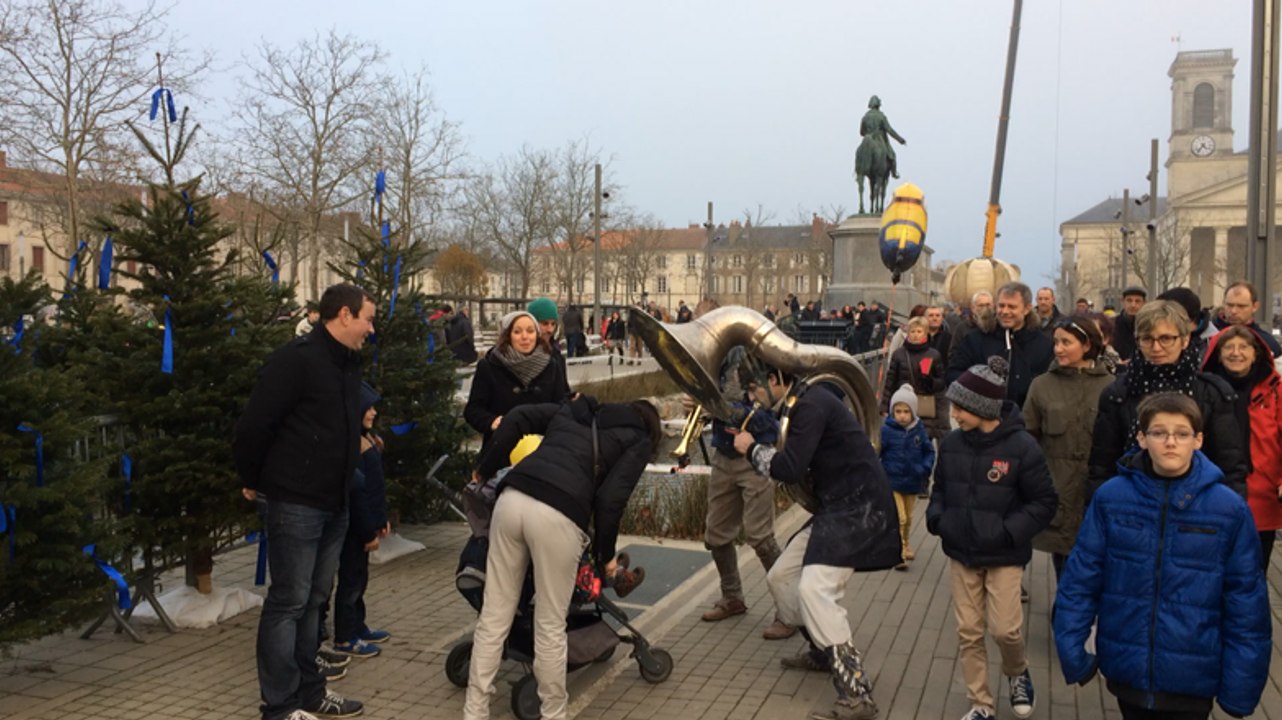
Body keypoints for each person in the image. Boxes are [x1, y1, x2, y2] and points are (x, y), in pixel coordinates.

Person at [1054, 393, 1270, 720]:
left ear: (1198, 440)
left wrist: (1241, 687)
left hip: (1193, 676)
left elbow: (1246, 603)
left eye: (1182, 434)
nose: (1170, 442)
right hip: (1129, 667)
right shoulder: (1112, 499)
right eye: (1158, 433)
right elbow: (1081, 578)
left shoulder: (1228, 510)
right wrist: (1072, 650)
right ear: (1142, 438)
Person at [463, 397, 662, 720]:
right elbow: (611, 500)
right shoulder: (637, 439)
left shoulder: (575, 409)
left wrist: (485, 468)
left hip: (512, 499)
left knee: (494, 616)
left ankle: (474, 712)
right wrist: (605, 558)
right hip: (559, 514)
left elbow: (518, 415)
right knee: (550, 625)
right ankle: (553, 713)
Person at [234, 283, 375, 720]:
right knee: (289, 602)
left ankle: (311, 694)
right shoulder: (295, 361)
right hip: (295, 500)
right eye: (368, 318)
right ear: (345, 315)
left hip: (335, 500)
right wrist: (253, 478)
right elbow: (256, 423)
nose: (372, 328)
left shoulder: (348, 365)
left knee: (315, 600)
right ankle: (280, 706)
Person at [733, 364, 901, 720]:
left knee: (815, 589)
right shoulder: (803, 401)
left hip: (859, 507)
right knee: (781, 577)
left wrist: (750, 450)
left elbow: (790, 468)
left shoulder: (809, 406)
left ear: (776, 380)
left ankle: (856, 692)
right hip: (838, 505)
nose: (753, 398)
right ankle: (822, 651)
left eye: (754, 389)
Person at [927, 356, 1057, 720]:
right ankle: (980, 703)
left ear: (981, 408)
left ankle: (1017, 672)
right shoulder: (952, 444)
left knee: (1005, 630)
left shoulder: (1022, 448)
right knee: (969, 631)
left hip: (1003, 555)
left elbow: (1044, 502)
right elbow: (939, 489)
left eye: (960, 407)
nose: (954, 414)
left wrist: (1008, 532)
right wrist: (938, 519)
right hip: (961, 552)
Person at [1088, 300, 1247, 498]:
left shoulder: (1212, 393)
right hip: (1132, 503)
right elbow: (1102, 467)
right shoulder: (1118, 393)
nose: (1156, 347)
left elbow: (1230, 466)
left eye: (1165, 339)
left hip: (1199, 504)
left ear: (1185, 339)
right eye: (1147, 339)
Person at [697, 349, 793, 639]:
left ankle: (789, 610)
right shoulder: (717, 362)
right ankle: (732, 597)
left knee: (761, 538)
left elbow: (773, 421)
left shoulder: (760, 363)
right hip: (724, 456)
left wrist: (730, 411)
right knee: (715, 535)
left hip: (756, 458)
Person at [1021, 316, 1113, 580]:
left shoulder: (1110, 386)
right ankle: (1065, 618)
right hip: (1058, 489)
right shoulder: (1042, 386)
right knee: (1065, 565)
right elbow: (1028, 438)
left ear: (1086, 345)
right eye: (1056, 342)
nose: (1058, 348)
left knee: (1097, 565)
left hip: (1097, 491)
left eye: (1066, 342)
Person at [1202, 325, 1282, 568]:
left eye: (1244, 347)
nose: (1236, 353)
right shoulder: (1204, 390)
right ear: (1218, 353)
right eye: (1229, 347)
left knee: (1254, 571)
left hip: (1262, 493)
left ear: (1256, 352)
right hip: (1212, 493)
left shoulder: (1275, 391)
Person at [330, 382, 391, 658]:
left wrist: (382, 519)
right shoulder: (352, 447)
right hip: (356, 528)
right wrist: (368, 531)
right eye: (368, 408)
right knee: (351, 581)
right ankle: (345, 637)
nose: (374, 412)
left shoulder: (367, 439)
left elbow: (377, 489)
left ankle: (358, 625)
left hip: (368, 523)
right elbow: (359, 494)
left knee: (359, 580)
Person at [464, 310, 570, 452]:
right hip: (499, 451)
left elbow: (562, 405)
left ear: (536, 335)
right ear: (507, 336)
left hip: (543, 452)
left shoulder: (552, 365)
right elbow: (473, 410)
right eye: (517, 332)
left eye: (530, 331)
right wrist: (492, 422)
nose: (525, 337)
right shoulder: (489, 366)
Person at [946, 282, 1054, 409]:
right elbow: (953, 374)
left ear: (1027, 308)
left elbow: (1051, 386)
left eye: (1012, 307)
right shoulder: (975, 339)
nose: (1005, 311)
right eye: (1001, 306)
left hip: (1026, 421)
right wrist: (977, 388)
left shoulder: (1043, 344)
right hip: (981, 419)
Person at [880, 384, 936, 571]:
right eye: (898, 411)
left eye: (906, 411)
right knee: (900, 517)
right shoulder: (887, 431)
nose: (902, 415)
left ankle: (905, 543)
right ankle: (898, 552)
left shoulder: (918, 431)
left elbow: (929, 451)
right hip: (892, 480)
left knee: (909, 517)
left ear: (913, 412)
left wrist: (925, 468)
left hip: (912, 481)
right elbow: (878, 452)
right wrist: (880, 471)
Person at [881, 317, 946, 440]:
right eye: (913, 331)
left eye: (919, 331)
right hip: (903, 406)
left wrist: (930, 381)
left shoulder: (934, 355)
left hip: (925, 407)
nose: (916, 335)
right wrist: (885, 406)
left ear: (925, 332)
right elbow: (890, 382)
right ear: (908, 333)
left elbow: (942, 382)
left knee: (922, 441)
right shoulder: (899, 354)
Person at [1208, 280, 1282, 358]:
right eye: (1229, 305)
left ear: (1255, 307)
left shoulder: (1267, 343)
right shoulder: (1206, 336)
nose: (1234, 311)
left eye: (1241, 306)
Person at [860, 95, 906, 179]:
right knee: (892, 155)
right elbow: (889, 130)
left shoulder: (865, 117)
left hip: (868, 139)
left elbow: (862, 133)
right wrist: (900, 140)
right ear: (878, 105)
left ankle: (860, 170)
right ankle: (894, 172)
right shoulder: (881, 116)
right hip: (880, 139)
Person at [948, 292, 994, 362]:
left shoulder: (998, 327)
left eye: (988, 305)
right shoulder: (962, 328)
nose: (985, 308)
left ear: (993, 306)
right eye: (981, 305)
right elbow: (954, 354)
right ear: (973, 308)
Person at [1111, 287, 1146, 365]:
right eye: (1129, 300)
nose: (1133, 305)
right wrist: (1116, 361)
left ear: (1144, 303)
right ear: (1123, 302)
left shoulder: (1148, 326)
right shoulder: (1111, 325)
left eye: (1137, 301)